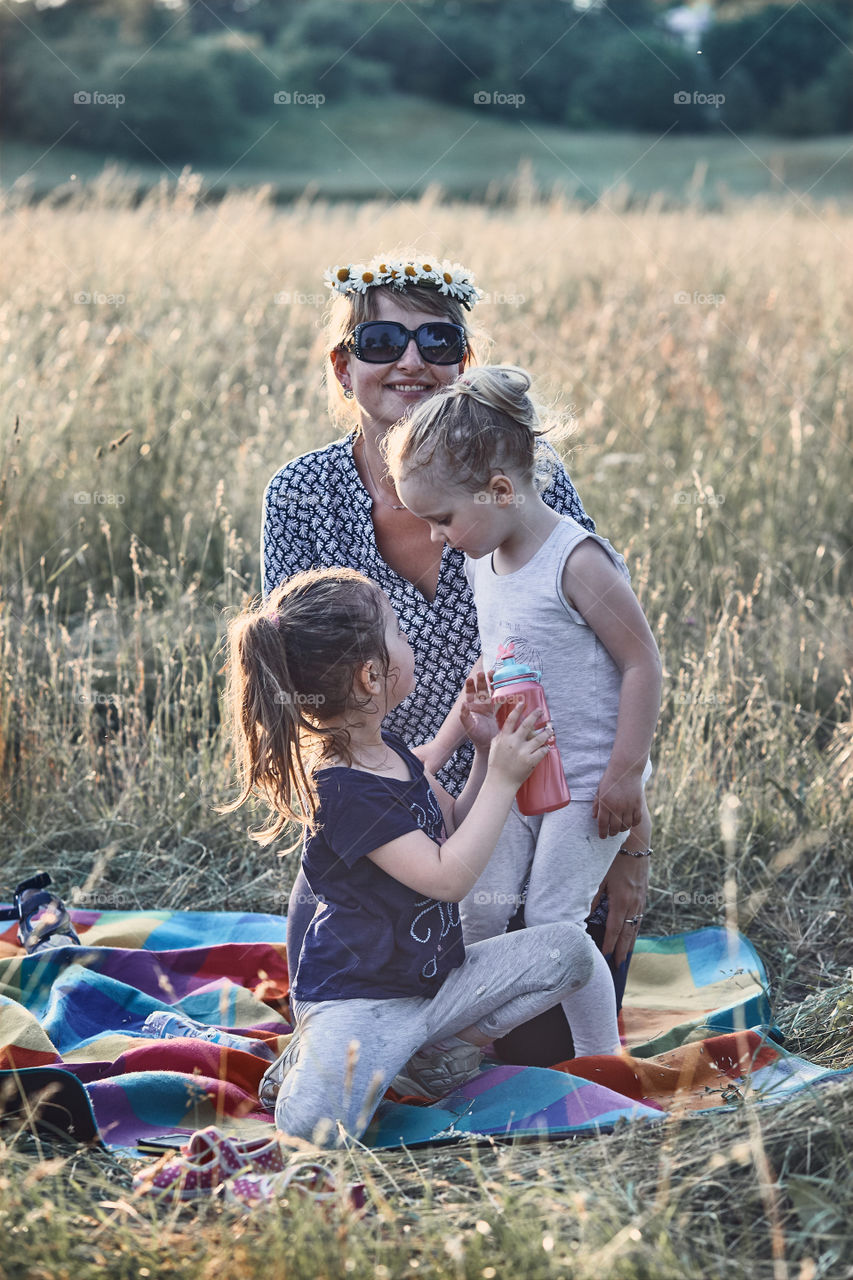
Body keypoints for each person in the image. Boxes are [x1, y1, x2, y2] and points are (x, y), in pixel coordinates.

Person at [261, 256, 651, 1065]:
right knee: (344, 986)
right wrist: (411, 792)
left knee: (541, 1011)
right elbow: (299, 683)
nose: (410, 360)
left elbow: (608, 663)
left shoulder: (526, 486)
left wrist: (629, 836)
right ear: (344, 364)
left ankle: (566, 1049)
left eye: (436, 338)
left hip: (537, 784)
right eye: (380, 339)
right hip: (384, 792)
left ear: (463, 364)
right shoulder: (299, 495)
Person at [220, 566, 619, 1146]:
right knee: (316, 1132)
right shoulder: (344, 791)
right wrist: (508, 780)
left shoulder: (392, 753)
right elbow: (448, 878)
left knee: (570, 953)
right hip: (361, 1003)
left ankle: (450, 1056)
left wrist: (483, 753)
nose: (411, 645)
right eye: (399, 634)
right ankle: (313, 1058)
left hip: (436, 987)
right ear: (369, 675)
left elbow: (454, 823)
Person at [384, 364, 662, 1052]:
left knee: (550, 918)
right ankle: (460, 1047)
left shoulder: (576, 563)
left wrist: (625, 774)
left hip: (588, 785)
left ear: (500, 489)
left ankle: (603, 1059)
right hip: (517, 770)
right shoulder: (486, 563)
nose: (438, 538)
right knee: (480, 910)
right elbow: (488, 670)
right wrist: (444, 748)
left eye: (443, 519)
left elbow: (640, 663)